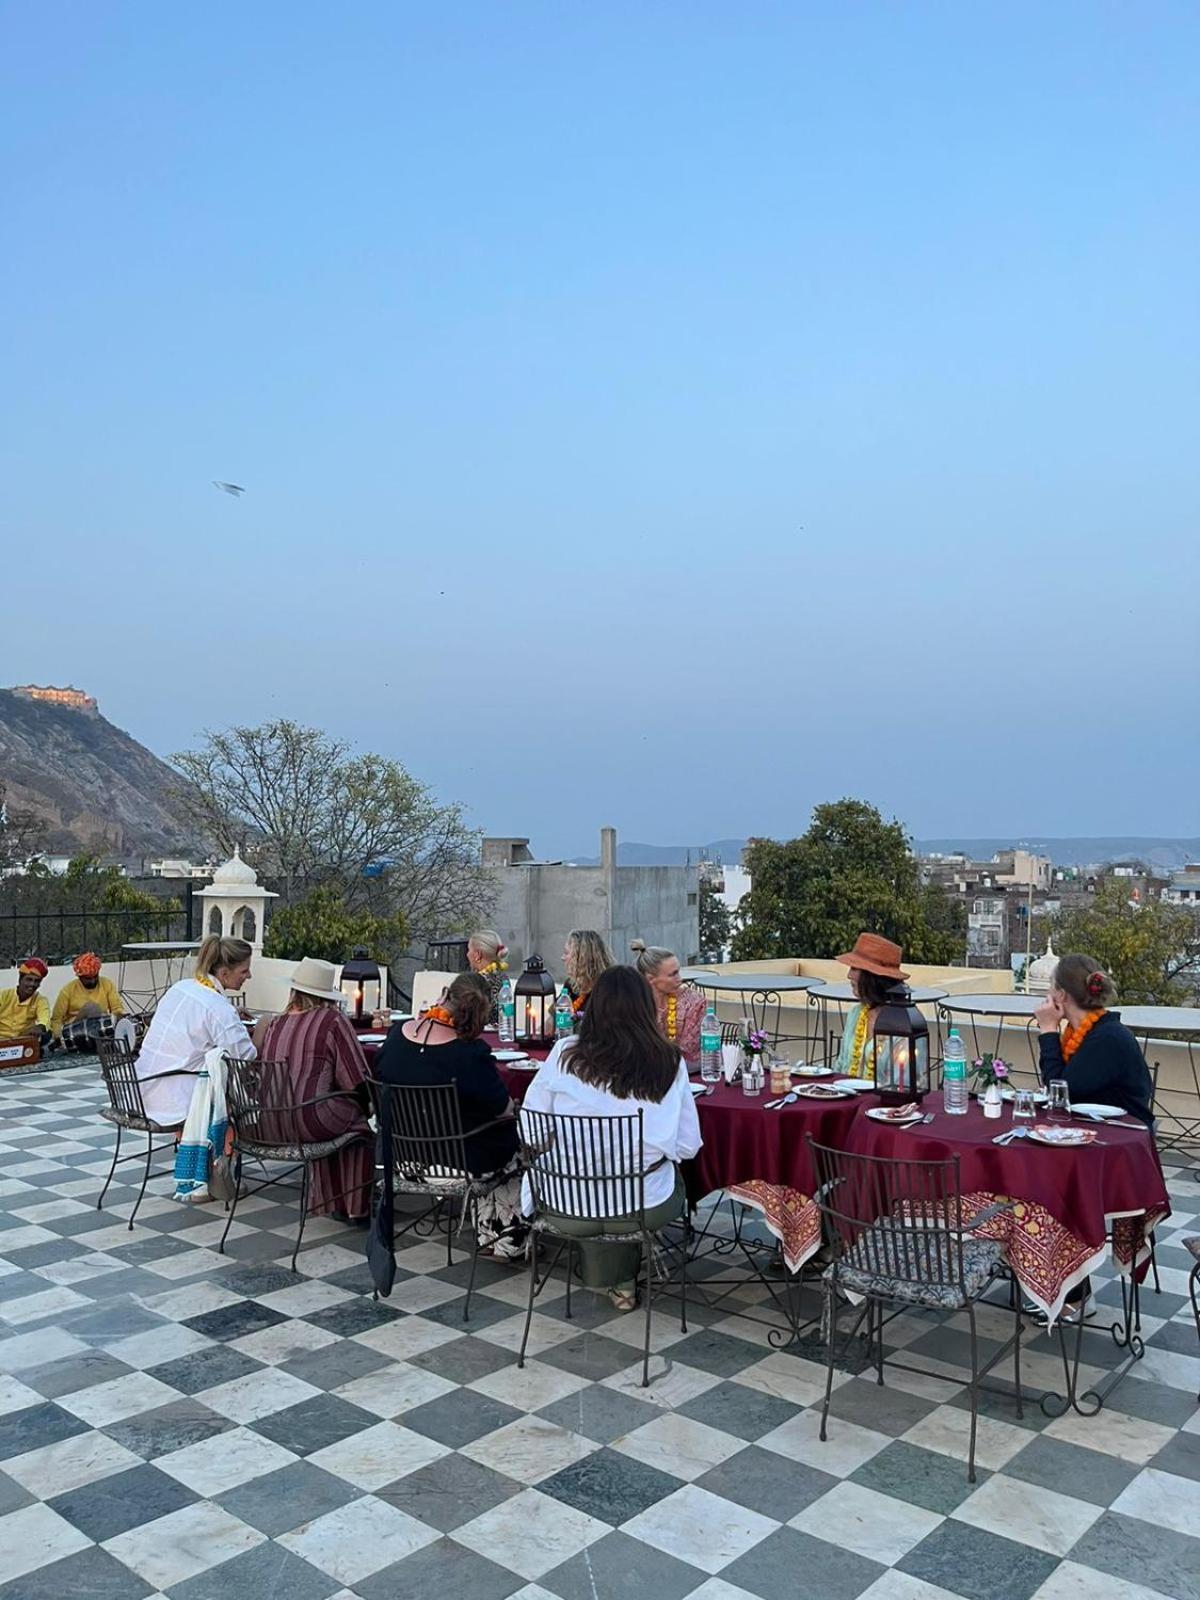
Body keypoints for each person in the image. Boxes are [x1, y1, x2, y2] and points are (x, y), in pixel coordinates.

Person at [521, 964, 702, 1310]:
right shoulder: (669, 1061)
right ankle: (621, 1281)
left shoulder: (563, 1054)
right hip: (643, 1206)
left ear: (595, 1006)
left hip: (567, 1203)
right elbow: (687, 1146)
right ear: (646, 1008)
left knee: (598, 1183)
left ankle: (612, 1276)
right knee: (654, 1179)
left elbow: (531, 1130)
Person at [1032, 954, 1155, 1325]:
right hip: (1092, 1141)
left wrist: (1046, 1032)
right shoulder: (1083, 1035)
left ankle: (1075, 1294)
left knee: (1055, 1190)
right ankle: (1048, 1280)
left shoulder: (1106, 1038)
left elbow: (1060, 1091)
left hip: (1120, 1156)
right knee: (1042, 1179)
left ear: (1061, 996)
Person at [375, 971, 526, 1259]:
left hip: (401, 1158)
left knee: (492, 1138)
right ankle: (505, 1240)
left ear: (444, 995)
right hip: (456, 1165)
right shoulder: (470, 1055)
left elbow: (379, 1076)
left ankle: (491, 1232)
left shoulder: (395, 1037)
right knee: (513, 1142)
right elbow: (502, 1107)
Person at [254, 958, 374, 1221]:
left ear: (295, 991)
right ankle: (354, 1208)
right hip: (306, 1121)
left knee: (331, 1108)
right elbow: (356, 1078)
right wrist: (370, 1106)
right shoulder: (332, 1020)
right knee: (360, 1127)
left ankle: (330, 1199)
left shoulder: (276, 1023)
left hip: (269, 1121)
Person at [134, 937, 256, 1125]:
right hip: (172, 1103)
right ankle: (216, 1150)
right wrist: (265, 1028)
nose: (249, 976)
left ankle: (198, 1147)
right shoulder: (218, 1009)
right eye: (244, 971)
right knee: (237, 1101)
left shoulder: (181, 987)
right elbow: (243, 1057)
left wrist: (232, 1013)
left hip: (139, 1090)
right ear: (224, 974)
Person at [835, 933, 908, 1079]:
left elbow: (904, 1083)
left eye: (854, 969)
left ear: (872, 977)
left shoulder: (902, 1022)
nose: (849, 975)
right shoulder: (855, 1013)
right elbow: (840, 1065)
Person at [631, 940, 706, 1069]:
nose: (680, 979)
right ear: (650, 979)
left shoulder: (694, 1002)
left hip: (686, 1073)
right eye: (673, 974)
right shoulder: (633, 1003)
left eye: (678, 971)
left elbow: (688, 1051)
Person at [51, 952, 125, 1052]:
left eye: (95, 976)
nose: (92, 981)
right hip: (75, 1031)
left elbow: (117, 1008)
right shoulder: (68, 990)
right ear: (79, 977)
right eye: (88, 979)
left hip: (100, 1026)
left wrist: (120, 1018)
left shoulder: (107, 983)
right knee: (91, 1008)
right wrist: (59, 1038)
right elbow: (56, 1019)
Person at [562, 929, 615, 1023]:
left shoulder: (607, 989)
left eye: (566, 953)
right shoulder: (570, 985)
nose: (562, 958)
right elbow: (550, 1024)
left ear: (582, 957)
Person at [0, 958, 52, 1047]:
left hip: (23, 1038)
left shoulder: (40, 1000)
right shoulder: (4, 995)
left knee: (47, 1034)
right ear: (20, 979)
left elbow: (44, 1018)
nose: (32, 984)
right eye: (29, 979)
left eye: (37, 981)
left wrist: (40, 1027)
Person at [467, 929, 509, 1025]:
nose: (467, 954)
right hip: (499, 1033)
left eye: (469, 950)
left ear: (477, 955)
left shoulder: (474, 981)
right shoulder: (503, 977)